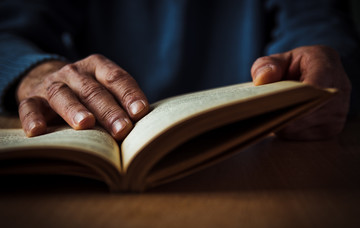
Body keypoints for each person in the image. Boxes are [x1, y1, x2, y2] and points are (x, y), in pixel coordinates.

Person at [0, 0, 359, 141]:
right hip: (91, 153)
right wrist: (37, 72)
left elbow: (316, 22)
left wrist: (320, 67)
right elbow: (8, 30)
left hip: (261, 154)